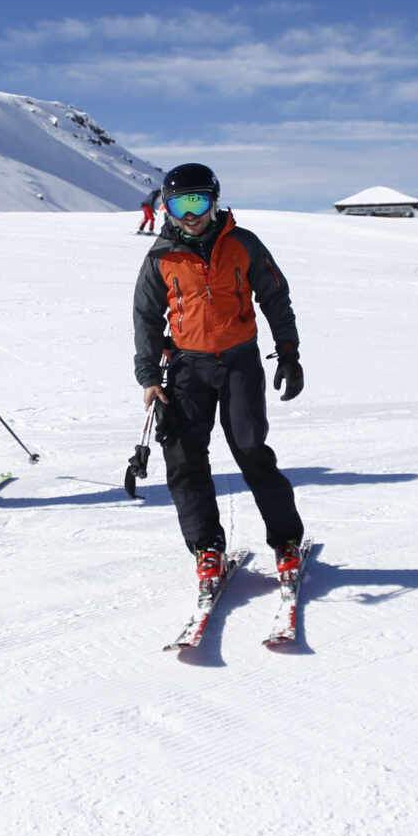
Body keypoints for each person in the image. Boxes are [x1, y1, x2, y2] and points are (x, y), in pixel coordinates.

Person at [132, 163, 306, 595]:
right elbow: (147, 319)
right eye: (178, 205)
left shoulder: (243, 245)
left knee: (251, 449)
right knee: (183, 458)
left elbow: (275, 298)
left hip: (239, 362)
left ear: (214, 201)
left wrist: (289, 353)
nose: (189, 215)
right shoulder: (160, 258)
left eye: (197, 202)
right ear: (167, 209)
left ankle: (285, 540)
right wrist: (149, 375)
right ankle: (207, 548)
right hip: (188, 368)